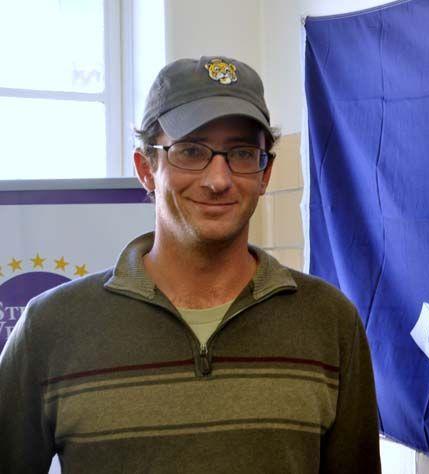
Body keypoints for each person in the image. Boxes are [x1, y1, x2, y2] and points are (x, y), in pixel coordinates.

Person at [0, 56, 381, 473]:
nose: (218, 180)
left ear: (265, 173)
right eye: (191, 151)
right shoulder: (52, 326)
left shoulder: (329, 322)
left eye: (241, 153)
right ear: (146, 168)